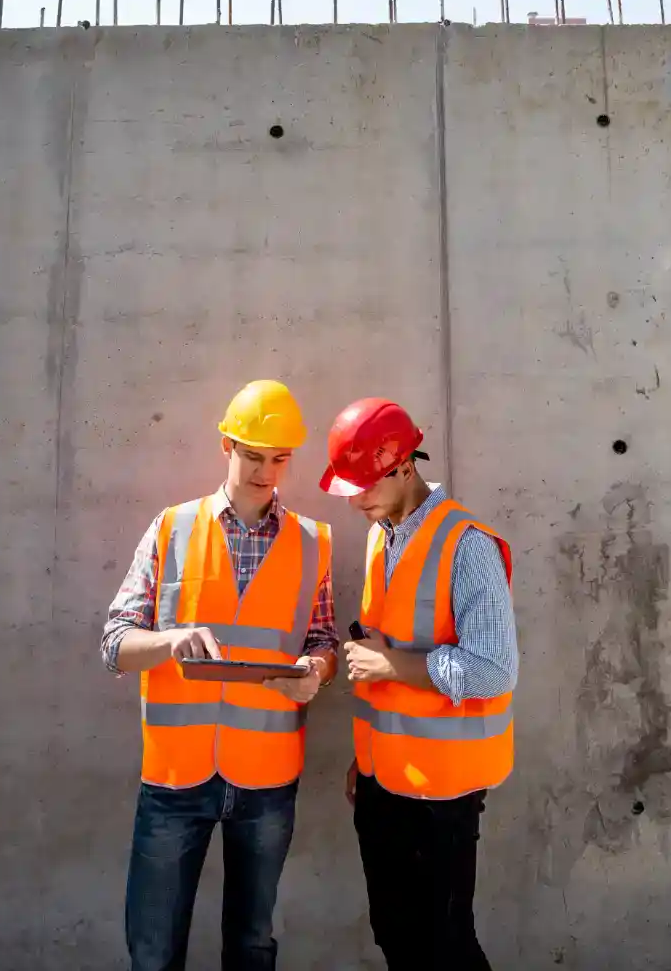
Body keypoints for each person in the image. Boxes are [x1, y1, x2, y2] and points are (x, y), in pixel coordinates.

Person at [101, 380, 338, 971]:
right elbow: (115, 643)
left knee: (252, 949)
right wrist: (170, 639)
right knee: (153, 953)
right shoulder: (171, 528)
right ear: (226, 445)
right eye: (254, 456)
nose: (266, 472)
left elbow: (323, 639)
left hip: (267, 780)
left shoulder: (314, 543)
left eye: (279, 459)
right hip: (175, 781)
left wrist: (318, 670)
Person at [323, 398, 518, 971]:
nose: (356, 499)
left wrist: (391, 665)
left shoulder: (468, 545)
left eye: (364, 484)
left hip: (442, 795)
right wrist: (368, 759)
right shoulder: (383, 535)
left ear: (404, 465)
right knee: (397, 939)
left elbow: (492, 670)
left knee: (445, 949)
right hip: (385, 782)